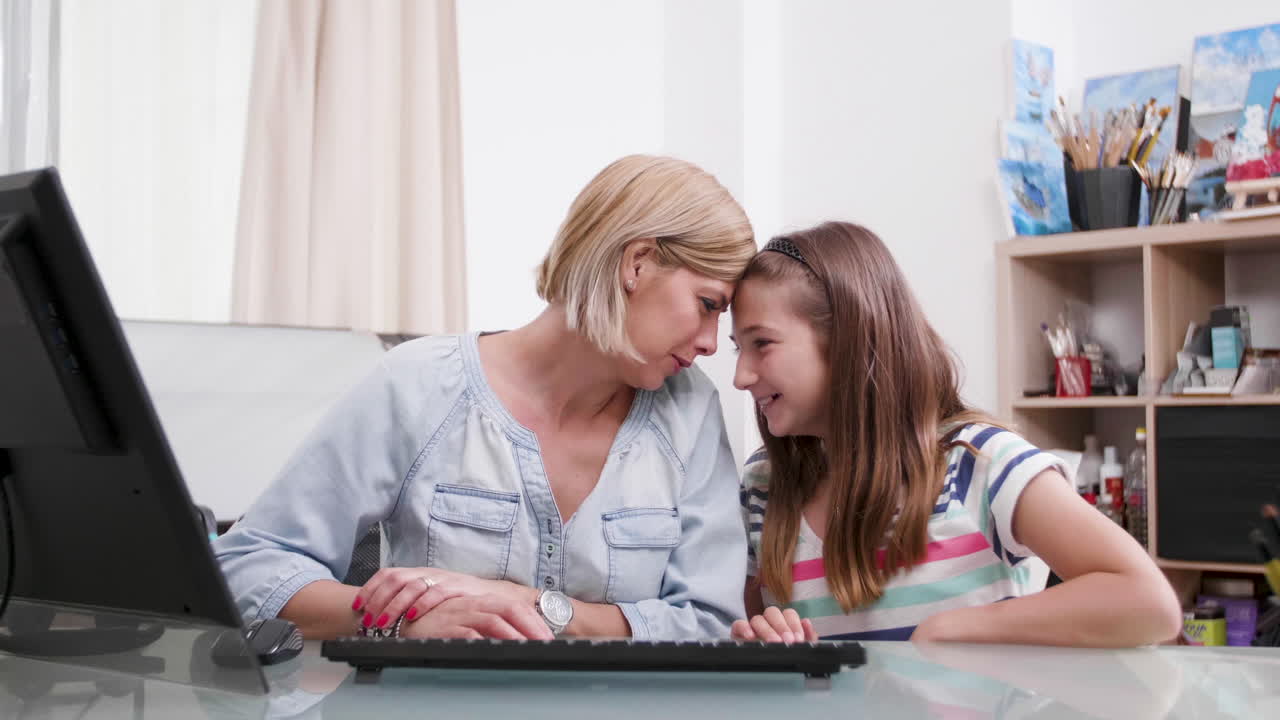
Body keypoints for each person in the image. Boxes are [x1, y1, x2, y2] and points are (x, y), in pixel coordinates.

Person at [214, 155, 755, 641]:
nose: (710, 343)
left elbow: (709, 620)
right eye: (708, 304)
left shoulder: (690, 410)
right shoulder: (420, 384)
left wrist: (537, 608)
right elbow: (246, 567)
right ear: (636, 263)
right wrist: (401, 621)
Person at [727, 221, 1182, 646]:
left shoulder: (983, 464)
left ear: (848, 338)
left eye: (761, 344)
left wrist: (954, 630)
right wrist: (774, 647)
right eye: (738, 349)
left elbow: (1149, 603)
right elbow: (757, 632)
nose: (741, 376)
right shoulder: (764, 488)